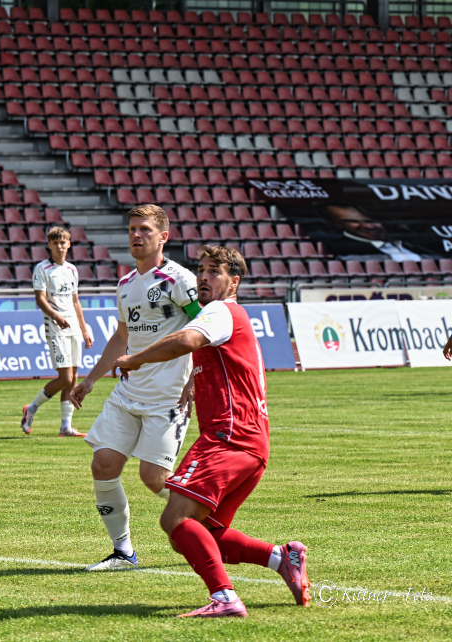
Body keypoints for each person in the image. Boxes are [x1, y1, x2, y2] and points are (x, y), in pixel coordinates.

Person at [113, 245, 310, 617]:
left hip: (228, 438)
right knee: (204, 532)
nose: (203, 277)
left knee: (176, 520)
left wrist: (135, 358)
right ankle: (281, 557)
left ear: (234, 281)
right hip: (252, 444)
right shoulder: (230, 316)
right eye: (201, 270)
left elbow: (187, 340)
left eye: (214, 272)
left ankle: (225, 598)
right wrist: (194, 382)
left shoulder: (221, 311)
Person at [68, 204, 200, 572]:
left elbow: (203, 330)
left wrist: (195, 380)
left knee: (153, 477)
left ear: (163, 237)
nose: (136, 235)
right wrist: (91, 379)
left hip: (168, 397)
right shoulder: (125, 285)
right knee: (103, 463)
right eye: (132, 229)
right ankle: (123, 552)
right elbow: (122, 336)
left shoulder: (179, 280)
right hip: (129, 393)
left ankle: (208, 519)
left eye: (145, 229)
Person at [22, 226, 94, 436]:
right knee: (65, 378)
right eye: (55, 243)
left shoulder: (72, 269)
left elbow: (76, 301)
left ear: (69, 244)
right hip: (55, 327)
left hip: (72, 328)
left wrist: (84, 330)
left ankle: (65, 427)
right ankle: (31, 408)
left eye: (63, 242)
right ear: (49, 245)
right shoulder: (42, 269)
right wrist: (57, 317)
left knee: (73, 377)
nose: (60, 246)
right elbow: (40, 299)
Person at [318, 202, 431, 261]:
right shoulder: (342, 253)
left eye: (371, 220)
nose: (370, 226)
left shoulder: (415, 245)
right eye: (354, 222)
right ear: (337, 224)